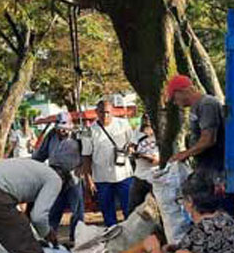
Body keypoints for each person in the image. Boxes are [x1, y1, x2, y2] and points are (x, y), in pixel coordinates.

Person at [164, 75, 226, 191]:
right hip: (206, 165)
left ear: (182, 92)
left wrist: (186, 154)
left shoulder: (207, 104)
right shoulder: (196, 107)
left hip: (215, 166)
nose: (175, 103)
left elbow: (209, 139)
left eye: (174, 98)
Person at [80, 99, 135, 227]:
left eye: (108, 112)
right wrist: (88, 179)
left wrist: (130, 148)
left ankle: (132, 237)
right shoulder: (89, 131)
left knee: (129, 210)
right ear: (96, 112)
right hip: (102, 178)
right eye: (101, 112)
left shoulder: (123, 124)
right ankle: (113, 237)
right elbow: (86, 156)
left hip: (124, 175)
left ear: (113, 112)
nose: (105, 115)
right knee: (108, 213)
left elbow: (133, 142)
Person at [35, 112, 83, 233]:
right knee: (54, 210)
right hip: (55, 177)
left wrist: (83, 168)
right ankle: (50, 237)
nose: (62, 131)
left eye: (64, 128)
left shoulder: (78, 136)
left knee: (77, 210)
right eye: (59, 129)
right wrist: (31, 164)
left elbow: (87, 155)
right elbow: (41, 154)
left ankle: (77, 237)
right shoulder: (51, 135)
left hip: (73, 177)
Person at [128, 115, 159, 213]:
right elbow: (132, 145)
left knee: (158, 208)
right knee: (133, 208)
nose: (146, 121)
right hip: (140, 176)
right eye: (144, 119)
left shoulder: (160, 134)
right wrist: (131, 150)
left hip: (155, 176)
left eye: (148, 119)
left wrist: (141, 155)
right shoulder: (138, 131)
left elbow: (156, 160)